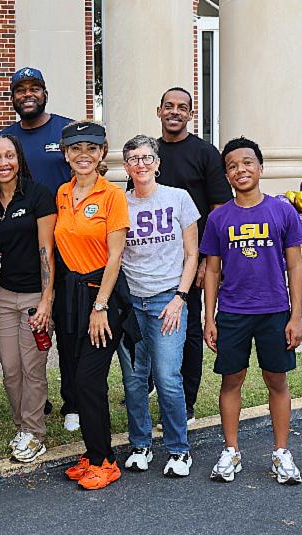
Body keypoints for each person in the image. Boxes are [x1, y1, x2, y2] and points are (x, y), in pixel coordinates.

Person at [201, 137, 302, 485]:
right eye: (232, 166)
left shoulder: (282, 210)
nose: (240, 170)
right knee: (232, 380)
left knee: (276, 379)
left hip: (274, 310)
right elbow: (212, 270)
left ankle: (281, 453)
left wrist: (296, 316)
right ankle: (231, 451)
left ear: (260, 168)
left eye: (247, 163)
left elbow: (295, 267)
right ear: (227, 175)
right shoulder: (219, 218)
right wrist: (208, 317)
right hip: (232, 312)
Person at [53, 121, 133, 491]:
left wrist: (100, 305)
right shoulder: (62, 193)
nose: (83, 155)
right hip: (70, 295)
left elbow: (116, 255)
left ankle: (105, 460)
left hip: (103, 295)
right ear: (66, 154)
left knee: (89, 379)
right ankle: (91, 453)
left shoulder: (112, 195)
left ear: (102, 153)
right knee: (73, 375)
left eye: (91, 148)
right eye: (75, 149)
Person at [0, 67, 78, 431]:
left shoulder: (66, 131)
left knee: (67, 326)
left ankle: (73, 401)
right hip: (22, 250)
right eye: (20, 89)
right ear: (12, 96)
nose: (27, 94)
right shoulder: (6, 139)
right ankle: (37, 400)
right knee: (34, 329)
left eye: (34, 88)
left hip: (66, 242)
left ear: (45, 93)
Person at [149, 87, 234, 424]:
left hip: (190, 260)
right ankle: (156, 385)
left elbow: (218, 211)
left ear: (190, 114)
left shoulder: (205, 153)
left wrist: (205, 260)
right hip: (152, 261)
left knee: (189, 332)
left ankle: (185, 400)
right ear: (159, 111)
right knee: (150, 325)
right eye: (168, 106)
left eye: (182, 107)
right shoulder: (148, 152)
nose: (175, 112)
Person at [119, 135, 200, 477]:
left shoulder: (178, 198)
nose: (141, 164)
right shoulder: (118, 203)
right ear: (126, 167)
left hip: (168, 299)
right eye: (134, 159)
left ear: (157, 163)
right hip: (131, 303)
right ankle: (141, 444)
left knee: (167, 377)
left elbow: (193, 253)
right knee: (134, 379)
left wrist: (180, 298)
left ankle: (179, 450)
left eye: (147, 158)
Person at [0, 134, 57, 463]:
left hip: (34, 295)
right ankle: (21, 426)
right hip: (3, 295)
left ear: (19, 158)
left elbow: (46, 252)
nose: (3, 163)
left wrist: (46, 301)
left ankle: (34, 432)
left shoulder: (38, 195)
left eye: (9, 155)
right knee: (11, 369)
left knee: (32, 368)